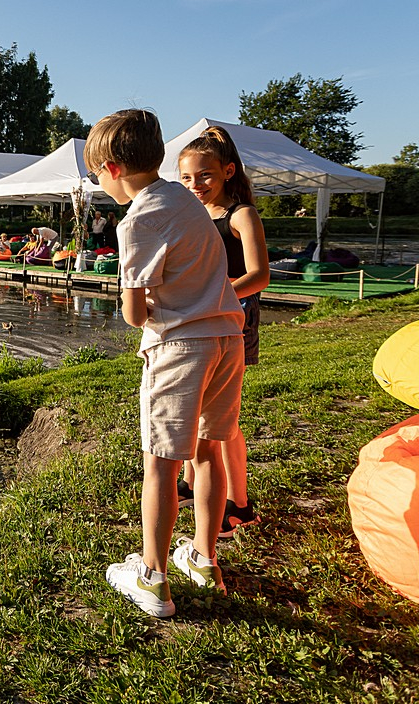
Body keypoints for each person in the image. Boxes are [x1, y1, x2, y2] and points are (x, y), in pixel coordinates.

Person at [85, 109, 244, 617]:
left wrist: (149, 306)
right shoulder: (186, 199)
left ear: (111, 168)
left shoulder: (138, 219)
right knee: (208, 450)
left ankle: (152, 577)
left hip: (180, 349)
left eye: (96, 177)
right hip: (227, 336)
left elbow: (134, 314)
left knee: (160, 463)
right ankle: (203, 556)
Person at [176, 125, 270, 537]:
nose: (195, 185)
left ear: (228, 171)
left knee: (223, 420)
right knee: (194, 410)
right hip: (201, 321)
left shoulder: (241, 214)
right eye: (186, 178)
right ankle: (190, 482)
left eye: (205, 176)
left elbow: (259, 275)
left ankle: (241, 504)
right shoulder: (194, 214)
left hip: (234, 320)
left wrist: (215, 296)